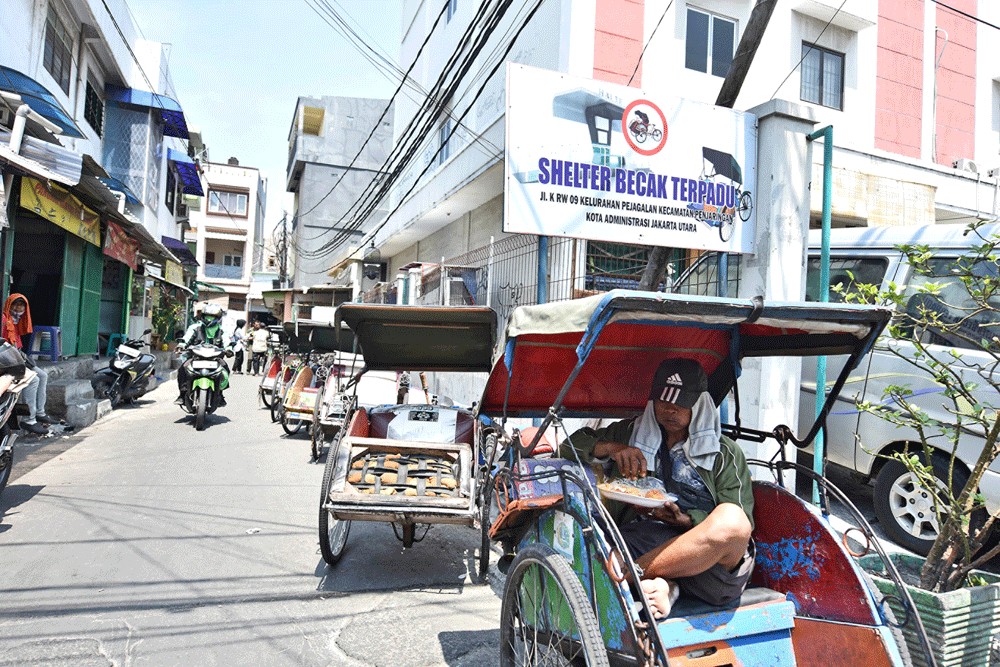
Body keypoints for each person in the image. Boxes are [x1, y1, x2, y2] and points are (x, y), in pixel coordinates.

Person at [560, 358, 754, 619]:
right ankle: (666, 585)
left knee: (733, 521)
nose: (670, 410)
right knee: (599, 546)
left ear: (698, 404)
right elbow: (568, 446)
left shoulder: (725, 453)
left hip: (707, 565)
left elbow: (741, 526)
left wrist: (688, 521)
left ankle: (630, 574)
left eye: (680, 403)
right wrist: (612, 449)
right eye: (663, 402)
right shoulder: (631, 433)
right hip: (643, 539)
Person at [1, 294, 57, 435]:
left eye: (21, 305)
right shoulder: (4, 320)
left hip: (15, 358)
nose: (18, 308)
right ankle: (29, 419)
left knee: (43, 375)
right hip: (6, 362)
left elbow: (16, 347)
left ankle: (40, 412)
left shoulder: (15, 322)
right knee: (34, 379)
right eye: (15, 305)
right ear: (8, 305)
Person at [175, 303, 231, 406]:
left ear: (218, 318)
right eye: (207, 316)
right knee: (183, 369)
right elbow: (186, 338)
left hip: (215, 358)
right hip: (195, 357)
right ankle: (182, 394)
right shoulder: (195, 327)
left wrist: (228, 349)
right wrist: (181, 345)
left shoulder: (222, 330)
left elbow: (227, 341)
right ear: (203, 316)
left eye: (212, 316)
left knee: (225, 369)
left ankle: (220, 393)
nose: (209, 319)